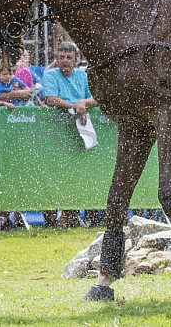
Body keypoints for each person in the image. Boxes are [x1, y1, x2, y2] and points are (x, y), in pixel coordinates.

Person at [43, 41, 98, 227]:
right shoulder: (50, 75)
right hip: (54, 130)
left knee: (77, 170)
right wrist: (75, 106)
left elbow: (96, 98)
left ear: (76, 60)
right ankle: (51, 217)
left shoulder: (83, 76)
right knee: (52, 171)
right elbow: (50, 99)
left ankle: (70, 214)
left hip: (79, 130)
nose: (65, 61)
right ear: (56, 59)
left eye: (68, 57)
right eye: (61, 57)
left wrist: (83, 103)